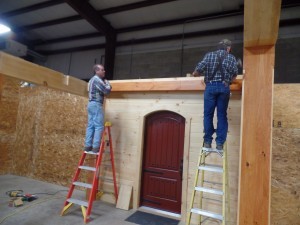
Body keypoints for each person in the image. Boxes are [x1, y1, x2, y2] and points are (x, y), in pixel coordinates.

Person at [192, 39, 238, 150]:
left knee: (208, 115)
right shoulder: (231, 58)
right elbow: (234, 76)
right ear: (228, 48)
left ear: (219, 47)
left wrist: (196, 74)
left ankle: (207, 141)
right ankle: (219, 143)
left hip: (210, 87)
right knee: (222, 115)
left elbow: (196, 72)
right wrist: (228, 80)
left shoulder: (209, 55)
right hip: (224, 88)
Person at [84, 64, 112, 153]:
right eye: (102, 70)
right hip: (96, 104)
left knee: (91, 126)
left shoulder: (92, 80)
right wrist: (107, 83)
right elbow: (106, 90)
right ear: (97, 71)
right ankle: (96, 147)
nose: (104, 71)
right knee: (99, 126)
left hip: (91, 105)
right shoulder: (97, 80)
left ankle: (88, 146)